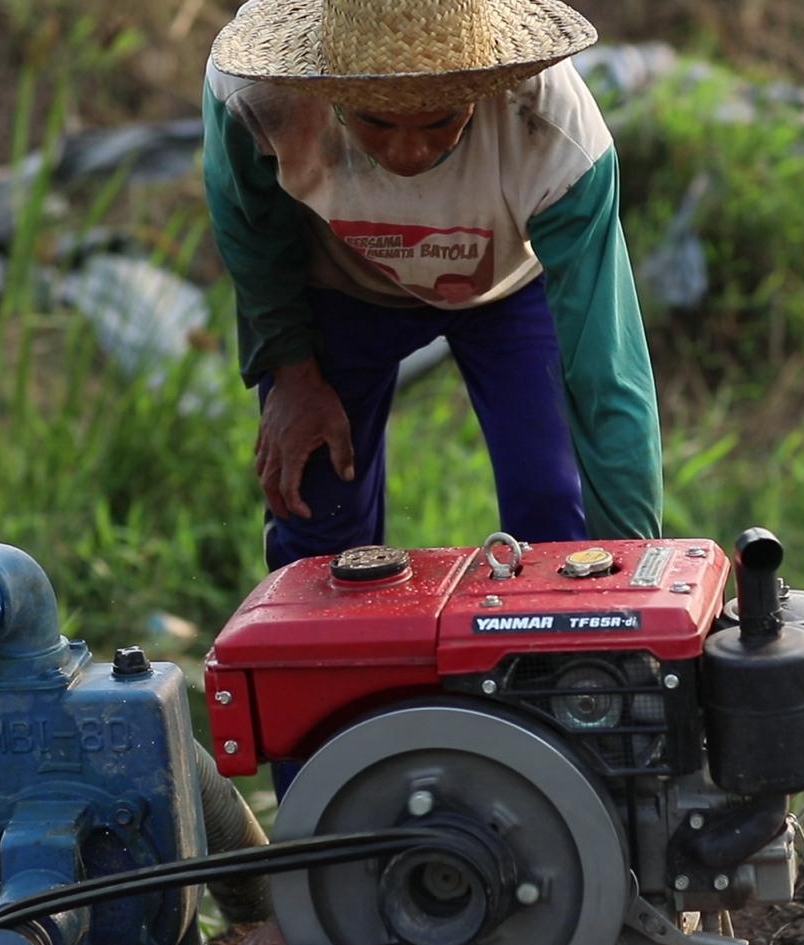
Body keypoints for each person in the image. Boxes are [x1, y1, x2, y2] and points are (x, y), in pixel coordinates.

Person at [202, 0, 663, 573]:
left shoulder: (556, 137)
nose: (408, 153)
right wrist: (291, 370)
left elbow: (606, 373)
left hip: (508, 292)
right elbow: (253, 236)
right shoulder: (257, 98)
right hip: (339, 289)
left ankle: (552, 662)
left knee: (554, 511)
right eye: (377, 120)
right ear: (332, 93)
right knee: (319, 528)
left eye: (440, 120)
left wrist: (632, 571)